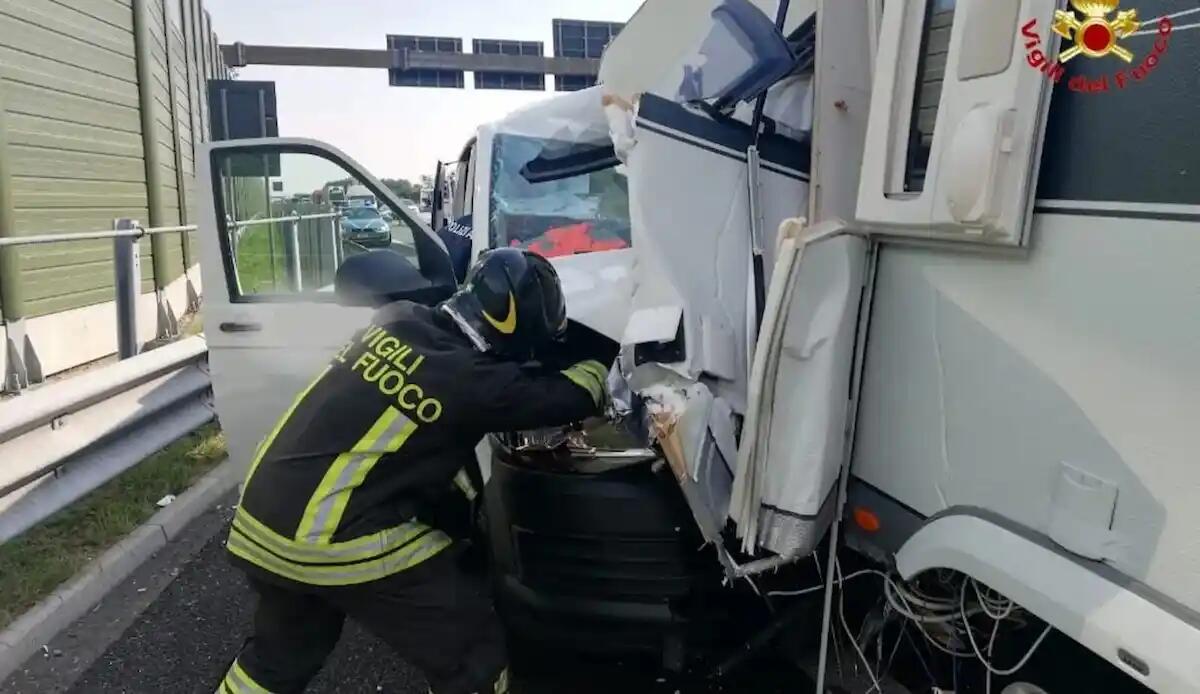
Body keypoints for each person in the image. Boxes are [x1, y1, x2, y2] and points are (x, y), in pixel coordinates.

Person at [218, 248, 610, 694]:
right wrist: (602, 351)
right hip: (334, 538)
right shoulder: (473, 383)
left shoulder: (397, 318)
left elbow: (434, 462)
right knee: (471, 651)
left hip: (262, 521)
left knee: (277, 659)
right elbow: (578, 394)